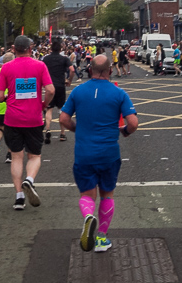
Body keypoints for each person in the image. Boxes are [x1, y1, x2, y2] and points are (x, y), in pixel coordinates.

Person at [59, 54, 139, 253]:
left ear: (90, 69)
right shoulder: (119, 93)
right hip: (109, 153)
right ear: (110, 71)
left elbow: (63, 118)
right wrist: (125, 133)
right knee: (107, 195)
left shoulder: (78, 92)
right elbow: (133, 123)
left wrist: (78, 129)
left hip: (84, 153)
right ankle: (102, 239)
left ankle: (88, 217)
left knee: (87, 194)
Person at [0, 36, 54, 210]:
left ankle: (19, 196)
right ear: (30, 48)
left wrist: (7, 97)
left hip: (12, 118)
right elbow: (50, 89)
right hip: (33, 118)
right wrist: (44, 103)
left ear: (14, 49)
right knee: (34, 156)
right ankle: (30, 180)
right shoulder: (40, 65)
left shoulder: (6, 68)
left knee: (16, 157)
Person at [42, 39, 74, 144]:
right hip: (60, 85)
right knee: (61, 109)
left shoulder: (46, 59)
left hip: (49, 86)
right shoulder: (64, 59)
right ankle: (62, 133)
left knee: (49, 109)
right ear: (60, 49)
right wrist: (69, 80)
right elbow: (72, 69)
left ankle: (47, 129)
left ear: (51, 49)